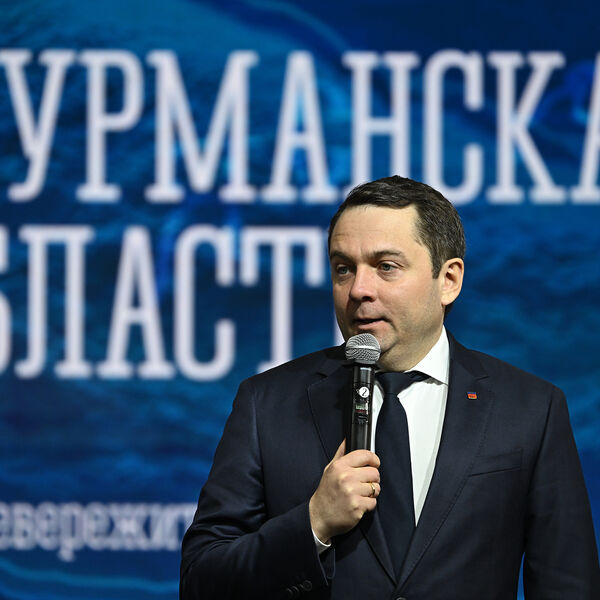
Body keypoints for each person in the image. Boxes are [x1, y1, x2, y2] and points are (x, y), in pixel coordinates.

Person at [180, 176, 600, 599]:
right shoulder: (267, 403)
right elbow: (201, 580)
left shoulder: (530, 409)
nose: (359, 290)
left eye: (386, 267)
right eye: (343, 268)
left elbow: (569, 585)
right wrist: (313, 523)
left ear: (448, 280)